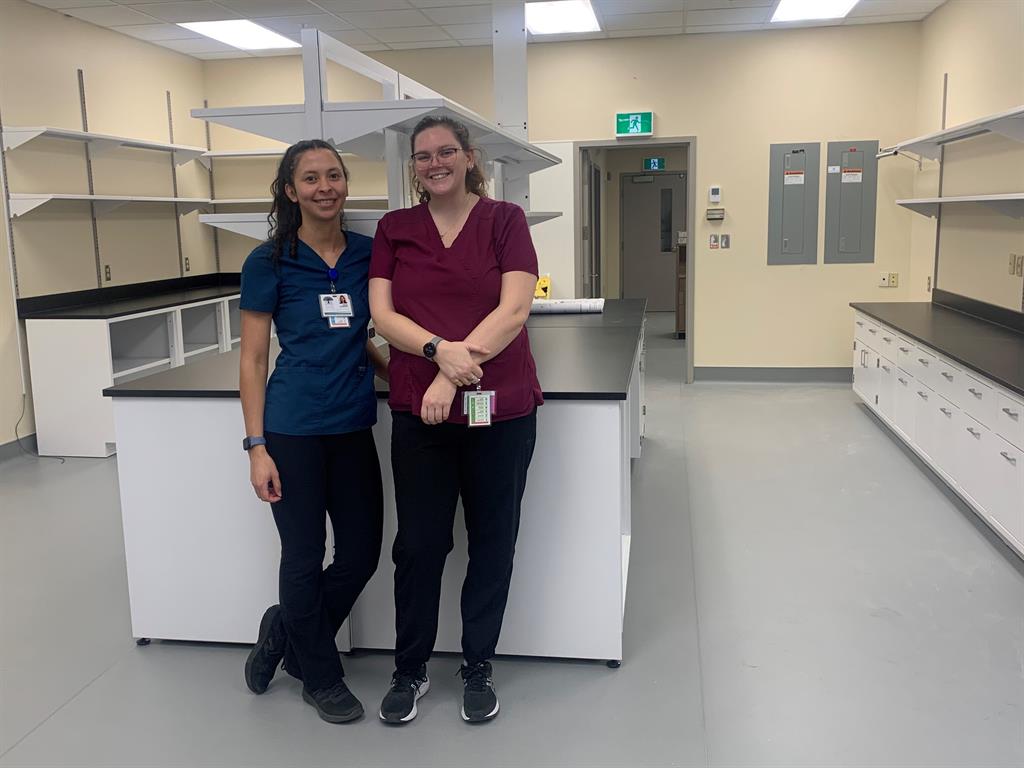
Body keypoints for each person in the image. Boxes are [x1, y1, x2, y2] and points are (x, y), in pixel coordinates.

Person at [369, 116, 542, 724]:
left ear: (470, 158)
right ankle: (409, 670)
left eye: (447, 152)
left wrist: (448, 372)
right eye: (423, 156)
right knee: (419, 545)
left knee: (493, 542)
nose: (435, 163)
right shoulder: (394, 229)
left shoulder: (505, 221)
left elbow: (515, 307)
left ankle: (477, 666)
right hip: (422, 414)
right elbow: (383, 316)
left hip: (498, 408)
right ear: (413, 167)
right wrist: (437, 352)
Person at [238, 139, 388, 724]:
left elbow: (359, 333)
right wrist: (257, 447)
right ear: (289, 190)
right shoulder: (269, 262)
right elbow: (252, 359)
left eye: (334, 175)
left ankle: (286, 631)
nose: (324, 187)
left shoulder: (369, 255)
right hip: (293, 428)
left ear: (346, 183)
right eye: (310, 178)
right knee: (302, 556)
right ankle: (318, 676)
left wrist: (389, 367)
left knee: (360, 553)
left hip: (352, 423)